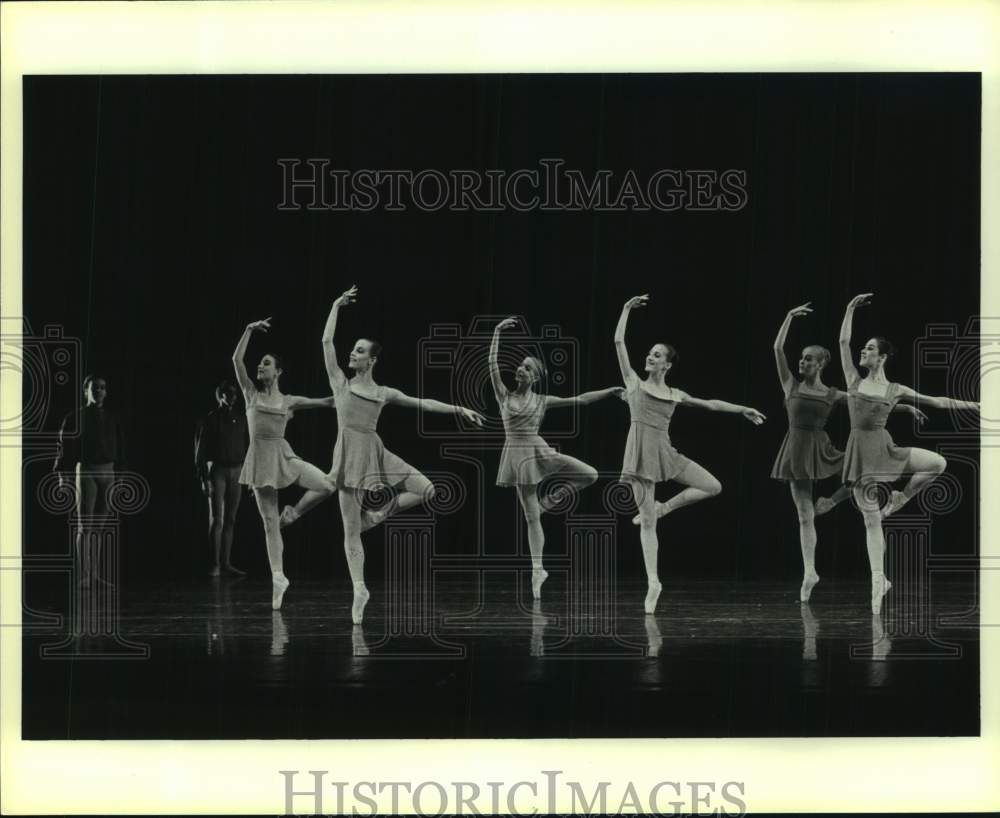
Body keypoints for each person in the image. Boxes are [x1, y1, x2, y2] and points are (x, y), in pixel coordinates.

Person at [322, 285, 485, 624]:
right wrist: (336, 306)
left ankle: (378, 517)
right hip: (349, 456)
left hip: (376, 451)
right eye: (352, 349)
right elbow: (326, 343)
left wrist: (459, 408)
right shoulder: (340, 383)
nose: (352, 354)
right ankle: (359, 590)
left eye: (359, 351)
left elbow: (423, 402)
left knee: (427, 489)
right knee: (350, 531)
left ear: (372, 360)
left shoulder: (383, 392)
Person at [614, 294, 766, 614]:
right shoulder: (633, 384)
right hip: (640, 455)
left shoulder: (674, 394)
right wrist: (627, 309)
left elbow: (710, 404)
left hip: (665, 453)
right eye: (650, 353)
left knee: (712, 486)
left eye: (657, 355)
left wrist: (742, 410)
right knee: (647, 525)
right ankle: (653, 582)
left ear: (667, 364)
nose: (650, 357)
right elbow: (618, 341)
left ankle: (663, 508)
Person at [772, 302, 926, 602]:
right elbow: (778, 350)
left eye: (808, 359)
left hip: (824, 449)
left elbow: (869, 403)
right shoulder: (789, 384)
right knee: (805, 515)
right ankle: (809, 573)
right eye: (801, 358)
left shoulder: (833, 393)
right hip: (795, 451)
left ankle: (833, 501)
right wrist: (788, 317)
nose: (801, 362)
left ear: (820, 364)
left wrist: (905, 406)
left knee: (859, 471)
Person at [838, 293, 979, 613]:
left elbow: (937, 401)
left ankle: (901, 498)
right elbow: (843, 342)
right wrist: (849, 309)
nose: (864, 350)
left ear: (882, 357)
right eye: (865, 347)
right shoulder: (852, 379)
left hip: (886, 448)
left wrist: (976, 405)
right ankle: (878, 580)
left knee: (937, 463)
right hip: (861, 454)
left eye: (870, 348)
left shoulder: (896, 388)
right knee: (871, 522)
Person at [490, 317, 623, 598]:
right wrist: (496, 332)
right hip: (516, 456)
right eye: (521, 365)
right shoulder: (504, 395)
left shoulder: (542, 400)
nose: (520, 368)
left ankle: (552, 499)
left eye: (527, 367)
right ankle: (538, 570)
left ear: (535, 376)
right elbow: (491, 365)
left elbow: (581, 399)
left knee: (590, 474)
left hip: (540, 451)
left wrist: (609, 391)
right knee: (531, 517)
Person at [232, 317, 337, 609]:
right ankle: (278, 578)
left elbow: (327, 402)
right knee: (268, 524)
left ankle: (294, 513)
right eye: (260, 364)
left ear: (278, 371)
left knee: (327, 485)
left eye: (266, 364)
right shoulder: (250, 394)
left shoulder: (289, 400)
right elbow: (236, 359)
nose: (260, 367)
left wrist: (348, 390)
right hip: (260, 461)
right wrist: (248, 329)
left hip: (284, 455)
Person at [54, 374, 126, 585]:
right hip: (86, 471)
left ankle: (95, 574)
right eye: (95, 388)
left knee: (99, 528)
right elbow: (63, 447)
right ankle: (84, 575)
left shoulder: (113, 418)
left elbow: (121, 447)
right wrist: (61, 476)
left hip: (108, 472)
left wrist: (120, 474)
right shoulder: (75, 417)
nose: (99, 391)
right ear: (86, 390)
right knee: (85, 526)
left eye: (103, 388)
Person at [195, 379, 250, 577]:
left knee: (231, 519)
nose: (232, 396)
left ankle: (226, 563)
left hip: (237, 471)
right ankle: (215, 564)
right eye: (228, 393)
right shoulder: (210, 419)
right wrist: (204, 479)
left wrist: (248, 475)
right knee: (217, 519)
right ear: (221, 395)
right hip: (217, 471)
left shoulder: (241, 418)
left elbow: (247, 447)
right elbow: (200, 453)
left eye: (235, 393)